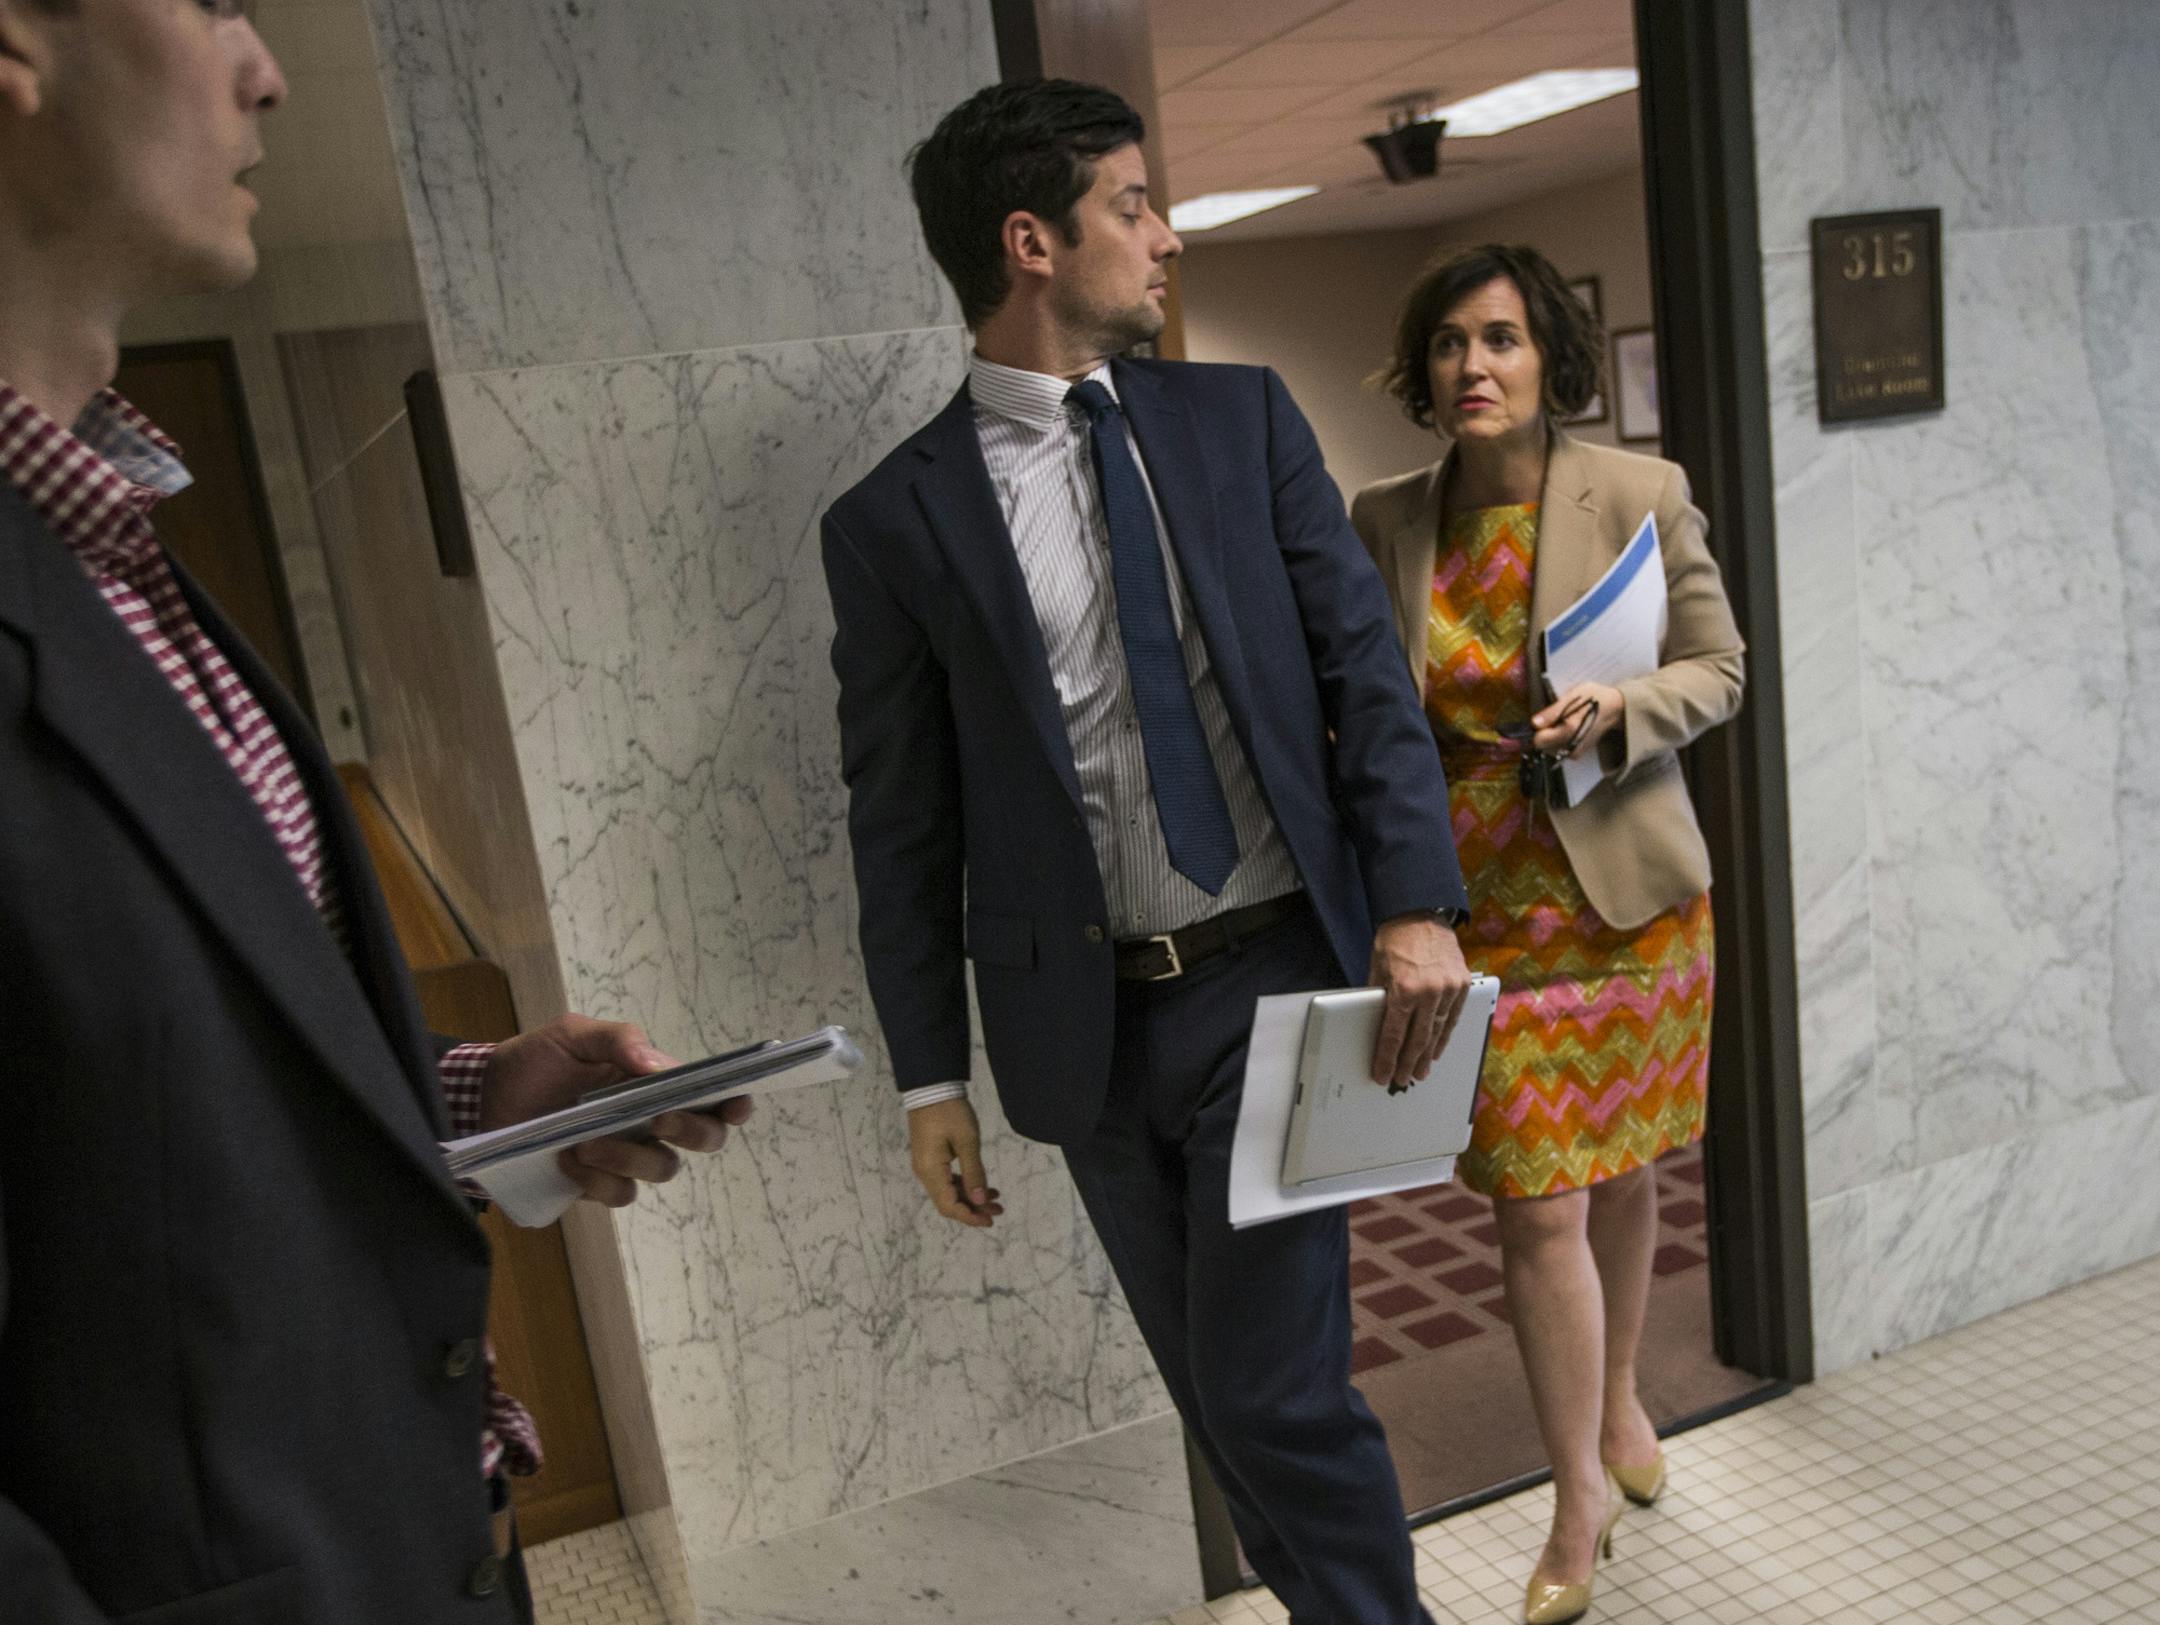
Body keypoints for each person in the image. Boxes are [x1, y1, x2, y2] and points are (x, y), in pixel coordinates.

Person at [0, 3, 749, 1620]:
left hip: (431, 1537)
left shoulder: (112, 544)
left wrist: (475, 1095)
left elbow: (124, 1116)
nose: (265, 68)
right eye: (210, 5)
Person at [821, 78, 1475, 1625]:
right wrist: (930, 1078)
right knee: (1226, 1400)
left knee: (1275, 1393)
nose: (1167, 235)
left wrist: (1415, 902)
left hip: (1274, 987)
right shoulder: (893, 522)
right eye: (1133, 204)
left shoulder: (1239, 421)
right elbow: (900, 819)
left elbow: (1363, 679)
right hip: (1087, 1033)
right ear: (1031, 240)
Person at [1351, 243, 1745, 1625]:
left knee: (1620, 1164)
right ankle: (1577, 1484)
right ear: (1425, 368)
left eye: (1502, 339)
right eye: (1451, 342)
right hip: (1476, 915)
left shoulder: (1638, 492)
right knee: (1539, 1194)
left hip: (1625, 901)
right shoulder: (1385, 516)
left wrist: (1623, 710)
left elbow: (1720, 663)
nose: (1475, 366)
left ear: (1548, 359)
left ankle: (1619, 1400)